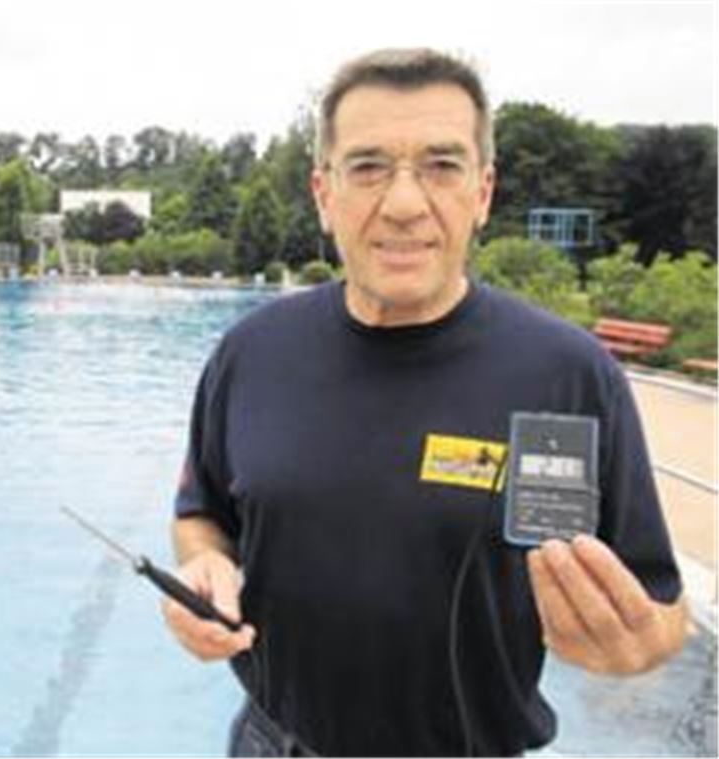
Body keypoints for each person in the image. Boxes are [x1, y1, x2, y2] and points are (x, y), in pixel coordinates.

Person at [161, 48, 687, 757]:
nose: (404, 203)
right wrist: (206, 569)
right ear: (324, 192)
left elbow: (661, 613)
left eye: (441, 166)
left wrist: (629, 648)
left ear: (483, 191)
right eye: (369, 166)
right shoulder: (250, 354)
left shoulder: (567, 374)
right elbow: (201, 515)